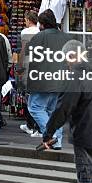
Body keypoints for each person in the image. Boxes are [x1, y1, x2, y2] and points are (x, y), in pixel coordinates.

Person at [43, 40, 92, 183]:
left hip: (87, 135)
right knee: (86, 178)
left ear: (72, 56)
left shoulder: (76, 76)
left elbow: (63, 108)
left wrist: (48, 133)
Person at [24, 9, 72, 149]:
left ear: (43, 24)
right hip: (61, 79)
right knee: (53, 111)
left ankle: (53, 137)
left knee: (35, 108)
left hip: (42, 80)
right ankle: (57, 141)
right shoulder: (66, 37)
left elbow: (29, 58)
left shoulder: (39, 37)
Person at [18, 11, 41, 137]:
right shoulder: (40, 32)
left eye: (25, 20)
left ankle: (30, 124)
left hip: (28, 64)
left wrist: (19, 66)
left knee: (29, 96)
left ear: (28, 20)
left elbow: (23, 50)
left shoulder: (25, 32)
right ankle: (33, 125)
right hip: (38, 65)